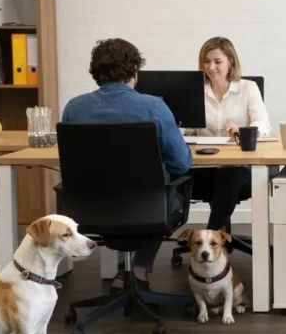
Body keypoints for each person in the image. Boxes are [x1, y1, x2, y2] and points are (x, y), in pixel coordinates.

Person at [62, 38, 192, 292]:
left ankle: (129, 274)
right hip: (147, 209)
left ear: (96, 73)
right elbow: (181, 164)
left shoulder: (74, 108)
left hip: (89, 208)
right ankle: (140, 270)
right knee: (164, 189)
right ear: (134, 71)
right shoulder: (154, 107)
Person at [182, 37, 271, 232]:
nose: (211, 67)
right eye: (206, 61)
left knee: (227, 174)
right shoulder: (195, 91)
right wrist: (175, 126)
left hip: (240, 168)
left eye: (217, 61)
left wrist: (242, 130)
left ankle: (210, 236)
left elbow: (263, 124)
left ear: (231, 61)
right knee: (173, 174)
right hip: (204, 166)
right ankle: (217, 241)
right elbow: (190, 128)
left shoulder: (248, 88)